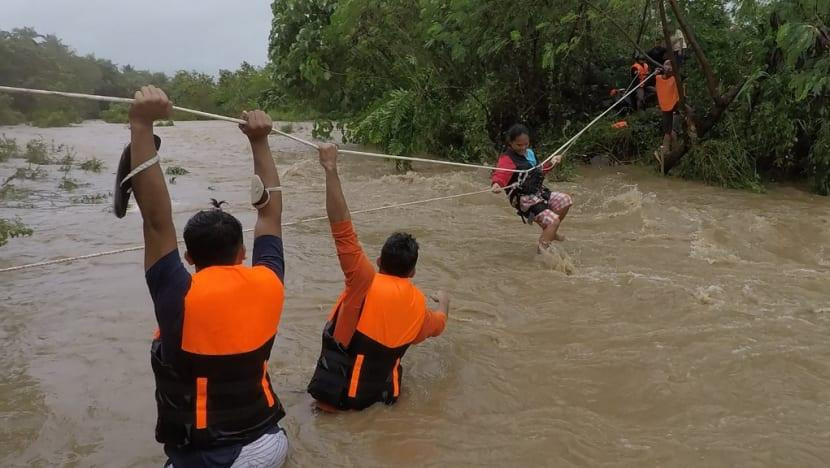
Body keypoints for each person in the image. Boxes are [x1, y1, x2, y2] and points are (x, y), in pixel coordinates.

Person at [123, 86, 288, 467]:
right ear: (242, 253)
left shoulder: (178, 296)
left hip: (214, 458)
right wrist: (260, 142)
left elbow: (156, 221)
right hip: (271, 444)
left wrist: (141, 124)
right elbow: (270, 214)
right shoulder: (269, 280)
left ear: (188, 257)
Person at [306, 143, 449, 412]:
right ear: (412, 273)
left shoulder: (362, 280)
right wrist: (444, 301)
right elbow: (439, 324)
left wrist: (330, 168)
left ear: (379, 261)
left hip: (332, 405)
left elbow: (341, 227)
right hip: (382, 403)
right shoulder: (419, 307)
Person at [490, 124, 573, 252]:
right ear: (510, 143)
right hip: (524, 200)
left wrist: (552, 162)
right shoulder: (507, 159)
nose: (523, 148)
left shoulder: (530, 153)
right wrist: (496, 185)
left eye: (526, 144)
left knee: (566, 200)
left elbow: (539, 171)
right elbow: (500, 174)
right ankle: (542, 254)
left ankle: (550, 231)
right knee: (553, 222)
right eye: (519, 145)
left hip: (539, 192)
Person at [655, 60, 680, 168]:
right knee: (668, 132)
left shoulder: (675, 78)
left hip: (675, 108)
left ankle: (674, 155)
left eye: (670, 66)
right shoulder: (658, 78)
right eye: (667, 65)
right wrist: (656, 72)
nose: (669, 68)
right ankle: (666, 154)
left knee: (672, 132)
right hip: (665, 108)